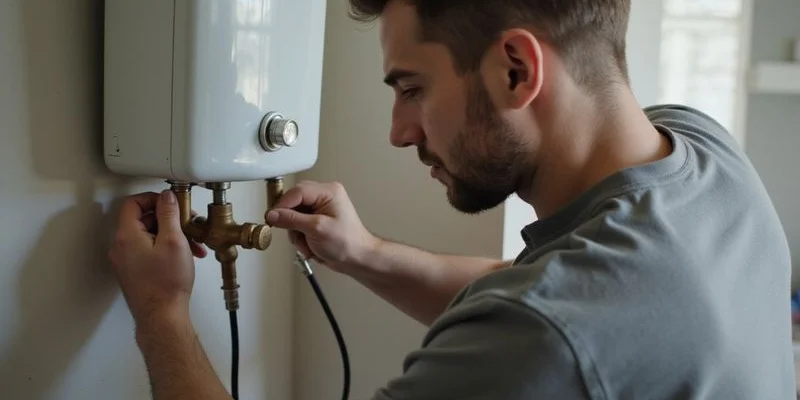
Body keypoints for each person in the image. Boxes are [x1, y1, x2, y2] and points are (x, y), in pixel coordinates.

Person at [108, 0, 796, 399]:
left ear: (515, 70)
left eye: (411, 88)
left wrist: (161, 314)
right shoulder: (700, 151)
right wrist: (367, 255)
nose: (400, 132)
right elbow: (553, 292)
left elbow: (550, 321)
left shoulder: (542, 343)